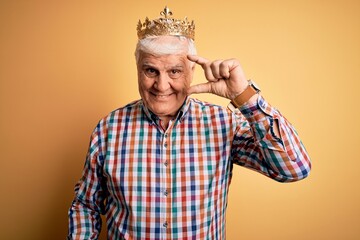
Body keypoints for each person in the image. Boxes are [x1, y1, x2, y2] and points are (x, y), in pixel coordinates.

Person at [68, 6, 311, 239]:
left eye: (174, 71)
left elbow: (294, 168)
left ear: (192, 71)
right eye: (151, 71)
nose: (162, 86)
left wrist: (244, 96)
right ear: (137, 69)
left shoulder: (222, 123)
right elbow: (86, 205)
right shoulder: (109, 129)